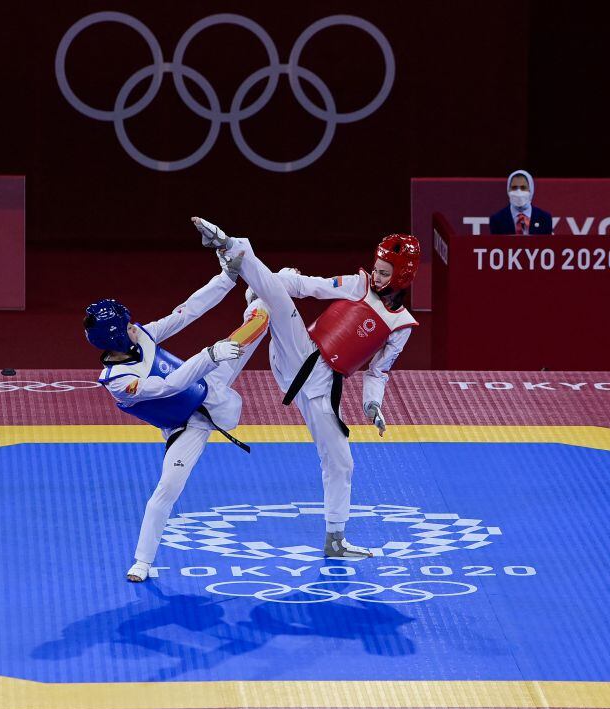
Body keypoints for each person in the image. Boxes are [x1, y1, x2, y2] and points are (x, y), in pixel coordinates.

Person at [191, 216, 420, 559]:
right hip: (301, 352)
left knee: (341, 462)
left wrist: (373, 406)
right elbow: (309, 286)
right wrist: (280, 279)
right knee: (276, 300)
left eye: (385, 273)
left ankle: (335, 539)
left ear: (403, 276)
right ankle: (231, 245)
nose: (377, 276)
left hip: (323, 387)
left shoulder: (401, 325)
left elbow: (378, 373)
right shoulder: (356, 284)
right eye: (377, 268)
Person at [85, 268, 269, 582]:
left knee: (258, 325)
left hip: (209, 381)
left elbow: (185, 312)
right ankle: (142, 561)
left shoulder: (140, 336)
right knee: (168, 487)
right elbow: (170, 386)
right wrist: (210, 354)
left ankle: (259, 296)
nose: (135, 327)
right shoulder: (117, 381)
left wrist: (225, 277)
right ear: (115, 335)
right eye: (127, 326)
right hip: (188, 424)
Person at [488, 169, 553, 235]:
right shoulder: (497, 219)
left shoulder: (544, 218)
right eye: (514, 187)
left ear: (531, 189)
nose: (518, 191)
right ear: (508, 190)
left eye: (523, 187)